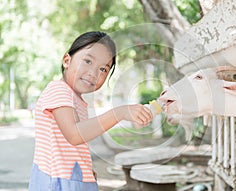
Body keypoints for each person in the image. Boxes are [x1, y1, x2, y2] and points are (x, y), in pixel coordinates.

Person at [28, 31, 153, 191]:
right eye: (87, 61)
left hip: (75, 179)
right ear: (67, 60)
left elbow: (73, 145)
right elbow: (74, 134)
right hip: (58, 183)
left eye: (103, 69)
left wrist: (85, 169)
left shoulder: (76, 100)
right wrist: (119, 113)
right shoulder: (59, 90)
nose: (93, 73)